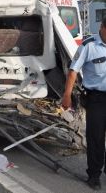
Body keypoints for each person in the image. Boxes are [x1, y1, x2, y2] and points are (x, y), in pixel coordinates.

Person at [62, 17, 106, 191]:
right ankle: (94, 175)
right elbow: (73, 72)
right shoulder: (89, 46)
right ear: (102, 27)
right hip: (97, 99)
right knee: (96, 138)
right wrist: (67, 95)